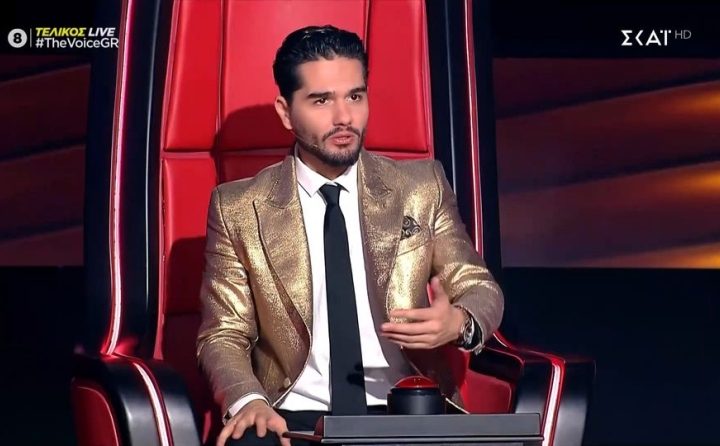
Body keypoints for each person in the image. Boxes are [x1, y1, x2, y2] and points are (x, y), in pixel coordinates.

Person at [197, 25, 504, 446]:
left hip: (406, 410)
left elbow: (479, 287)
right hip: (292, 417)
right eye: (321, 100)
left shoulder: (420, 186)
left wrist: (459, 323)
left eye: (355, 96)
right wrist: (248, 399)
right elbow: (223, 333)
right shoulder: (238, 207)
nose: (344, 117)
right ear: (286, 113)